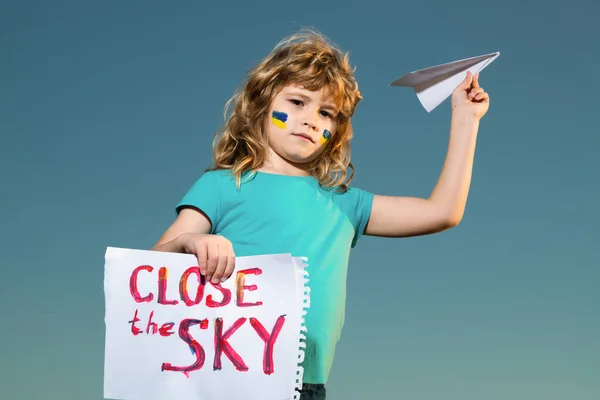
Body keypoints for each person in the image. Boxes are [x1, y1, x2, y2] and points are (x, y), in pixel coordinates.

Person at [152, 28, 490, 400]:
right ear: (261, 104)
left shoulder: (345, 204)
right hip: (224, 380)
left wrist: (466, 118)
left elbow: (442, 212)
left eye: (326, 113)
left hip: (305, 388)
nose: (312, 120)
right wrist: (190, 242)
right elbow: (150, 266)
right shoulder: (220, 186)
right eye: (297, 102)